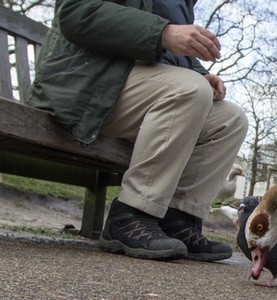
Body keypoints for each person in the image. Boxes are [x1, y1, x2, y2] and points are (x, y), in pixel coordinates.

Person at [27, 1, 248, 261]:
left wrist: (201, 73)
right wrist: (164, 33)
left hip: (143, 92)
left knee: (231, 119)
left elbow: (169, 55)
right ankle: (131, 214)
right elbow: (76, 12)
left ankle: (177, 219)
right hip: (85, 83)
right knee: (189, 90)